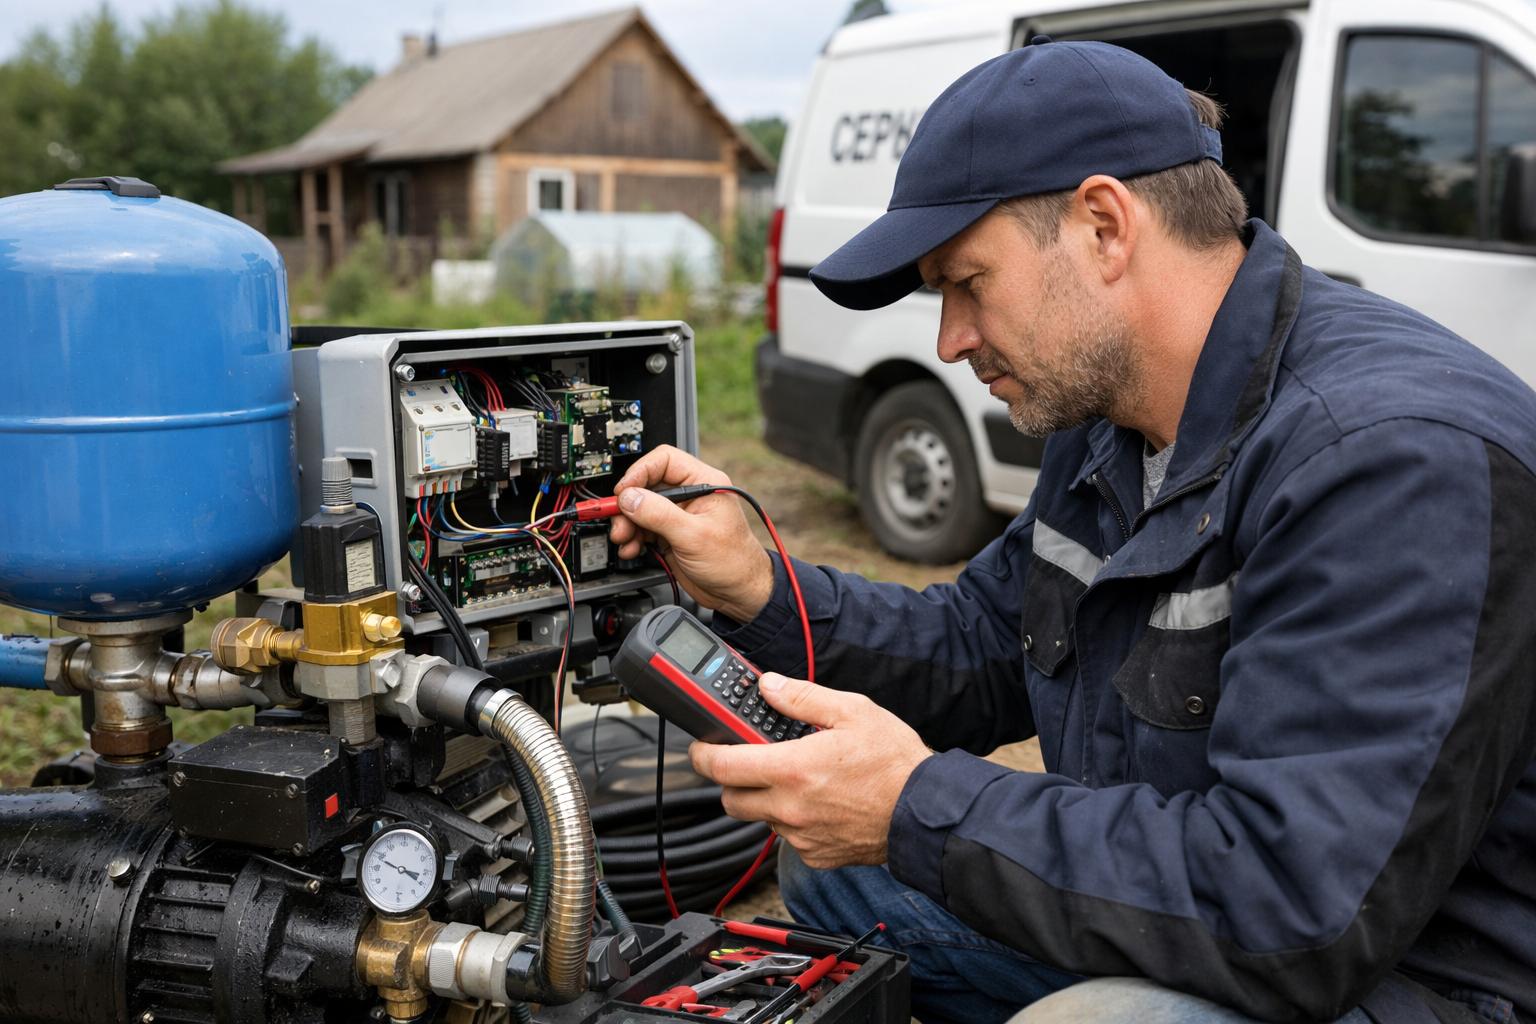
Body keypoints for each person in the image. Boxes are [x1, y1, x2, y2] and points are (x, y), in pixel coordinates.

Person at [607, 39, 1536, 1024]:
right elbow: (981, 645)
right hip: (1220, 916)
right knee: (840, 875)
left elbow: (1289, 909)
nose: (950, 339)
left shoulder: (1390, 461)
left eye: (969, 281)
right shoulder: (1113, 418)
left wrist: (912, 805)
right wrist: (759, 583)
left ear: (1103, 224)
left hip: (1414, 977)